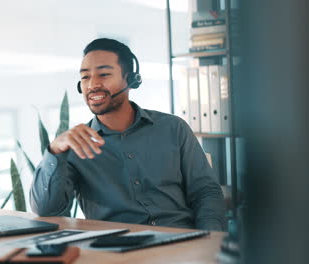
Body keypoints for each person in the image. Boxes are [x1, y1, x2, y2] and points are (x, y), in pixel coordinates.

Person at [29, 38, 225, 231]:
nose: (92, 85)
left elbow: (205, 192)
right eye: (85, 77)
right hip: (118, 251)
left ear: (131, 79)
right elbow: (47, 211)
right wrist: (54, 150)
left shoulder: (174, 128)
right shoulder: (76, 146)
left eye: (104, 74)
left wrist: (210, 241)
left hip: (181, 244)